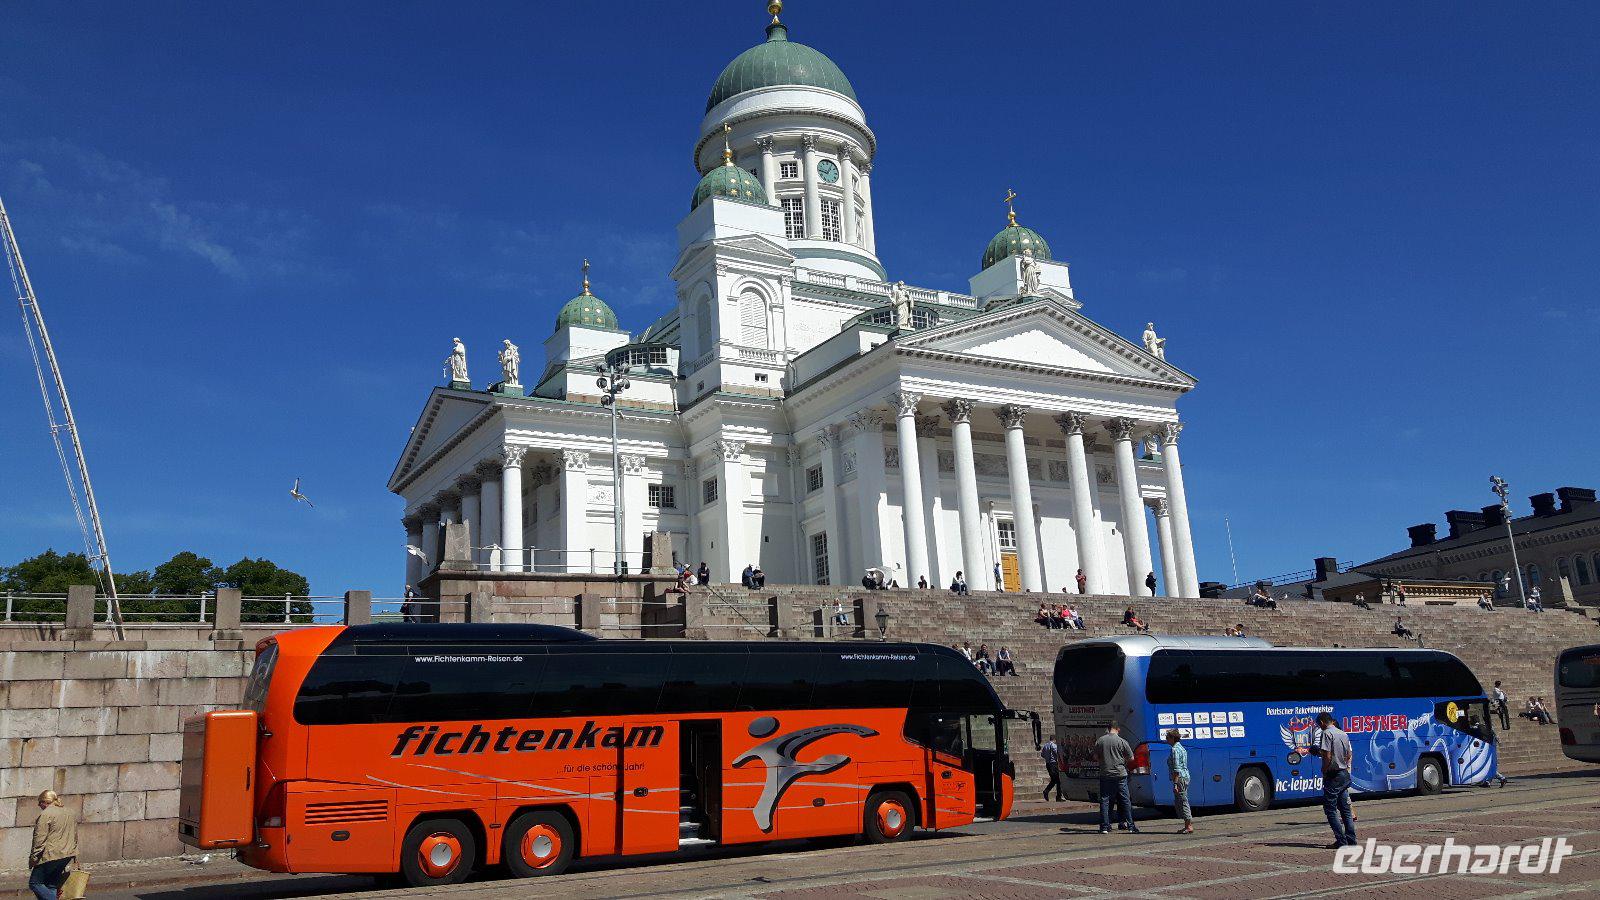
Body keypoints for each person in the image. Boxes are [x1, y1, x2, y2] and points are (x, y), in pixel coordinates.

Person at [1308, 711, 1356, 848]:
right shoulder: (1343, 733)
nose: (1320, 727)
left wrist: (1324, 769)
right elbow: (1349, 754)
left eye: (1319, 725)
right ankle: (1351, 840)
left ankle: (1341, 842)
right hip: (1344, 774)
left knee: (1330, 809)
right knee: (1345, 810)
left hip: (1333, 775)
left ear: (1322, 722)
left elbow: (1327, 756)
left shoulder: (1326, 733)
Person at [29, 790, 77, 900]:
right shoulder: (69, 812)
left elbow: (39, 839)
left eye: (40, 802)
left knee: (35, 883)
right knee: (51, 884)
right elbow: (75, 835)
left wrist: (34, 857)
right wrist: (74, 853)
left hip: (51, 855)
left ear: (46, 802)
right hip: (67, 854)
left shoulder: (46, 814)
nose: (38, 805)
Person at [1093, 723, 1139, 833]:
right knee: (1125, 800)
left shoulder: (1100, 741)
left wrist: (1103, 762)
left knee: (1105, 800)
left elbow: (1095, 757)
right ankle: (1131, 826)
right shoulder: (1122, 741)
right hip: (1120, 774)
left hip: (1105, 773)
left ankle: (1105, 826)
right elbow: (1131, 757)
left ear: (1108, 729)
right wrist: (1122, 762)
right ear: (1117, 729)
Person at [1165, 729, 1193, 833]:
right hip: (1185, 776)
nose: (1166, 740)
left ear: (1172, 738)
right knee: (1182, 800)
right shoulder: (1182, 748)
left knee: (1183, 801)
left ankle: (1188, 826)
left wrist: (1175, 784)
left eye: (1167, 738)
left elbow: (1177, 768)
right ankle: (1187, 825)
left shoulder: (1175, 749)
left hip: (1180, 778)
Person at [1040, 736, 1064, 802]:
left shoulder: (1045, 746)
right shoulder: (1053, 745)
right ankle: (1058, 797)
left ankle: (1046, 791)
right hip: (1053, 764)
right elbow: (1057, 753)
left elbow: (1042, 754)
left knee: (1054, 779)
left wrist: (1047, 758)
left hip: (1048, 764)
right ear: (1054, 739)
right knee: (1058, 780)